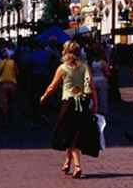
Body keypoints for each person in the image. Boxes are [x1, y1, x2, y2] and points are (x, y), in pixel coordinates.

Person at [41, 41, 99, 179]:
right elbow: (92, 87)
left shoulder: (63, 68)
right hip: (83, 102)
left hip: (68, 103)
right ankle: (67, 162)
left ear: (65, 52)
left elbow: (52, 86)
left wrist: (43, 97)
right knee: (74, 133)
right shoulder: (84, 67)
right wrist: (95, 104)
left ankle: (77, 166)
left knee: (70, 135)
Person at [0, 49, 19, 124]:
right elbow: (17, 73)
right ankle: (11, 116)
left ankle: (5, 119)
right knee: (12, 101)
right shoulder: (13, 62)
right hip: (12, 84)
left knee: (4, 103)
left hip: (2, 84)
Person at [90, 44, 111, 117]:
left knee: (94, 97)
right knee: (103, 97)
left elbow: (91, 72)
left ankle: (94, 109)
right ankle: (102, 111)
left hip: (94, 80)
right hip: (102, 80)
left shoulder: (92, 63)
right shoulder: (103, 62)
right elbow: (107, 73)